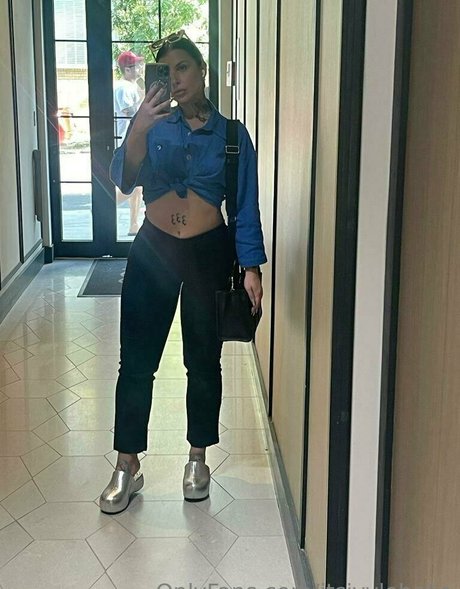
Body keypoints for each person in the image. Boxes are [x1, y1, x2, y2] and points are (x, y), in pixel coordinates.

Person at [99, 31, 267, 514]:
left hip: (207, 254)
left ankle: (197, 458)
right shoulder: (152, 125)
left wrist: (251, 267)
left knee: (203, 359)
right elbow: (123, 180)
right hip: (153, 250)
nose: (175, 78)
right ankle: (126, 464)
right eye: (166, 70)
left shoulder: (232, 136)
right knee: (136, 361)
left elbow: (245, 206)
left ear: (202, 71)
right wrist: (137, 129)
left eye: (183, 67)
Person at [114, 50, 145, 236]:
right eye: (136, 65)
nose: (140, 68)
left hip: (134, 140)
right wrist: (144, 99)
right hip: (127, 141)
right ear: (127, 69)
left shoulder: (131, 87)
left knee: (138, 186)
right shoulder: (124, 88)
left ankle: (134, 225)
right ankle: (105, 204)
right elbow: (130, 112)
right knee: (132, 185)